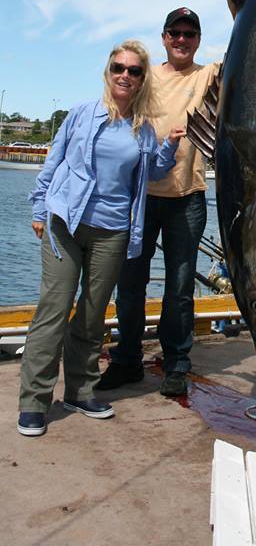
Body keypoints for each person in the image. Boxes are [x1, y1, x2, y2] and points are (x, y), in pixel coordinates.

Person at [18, 41, 183, 437]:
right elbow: (53, 161)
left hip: (113, 231)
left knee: (92, 316)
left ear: (143, 79)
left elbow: (153, 173)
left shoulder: (143, 129)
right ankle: (34, 401)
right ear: (108, 72)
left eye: (134, 70)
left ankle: (79, 390)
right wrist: (40, 209)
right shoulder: (80, 114)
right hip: (66, 225)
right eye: (118, 68)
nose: (125, 75)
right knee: (54, 310)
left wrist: (171, 144)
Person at [98, 8, 220, 397]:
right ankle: (126, 360)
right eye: (175, 33)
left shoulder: (209, 75)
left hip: (188, 197)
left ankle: (176, 363)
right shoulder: (143, 77)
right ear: (164, 37)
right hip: (139, 199)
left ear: (198, 40)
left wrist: (239, 8)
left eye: (189, 33)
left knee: (180, 287)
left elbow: (246, 51)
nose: (182, 39)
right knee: (129, 285)